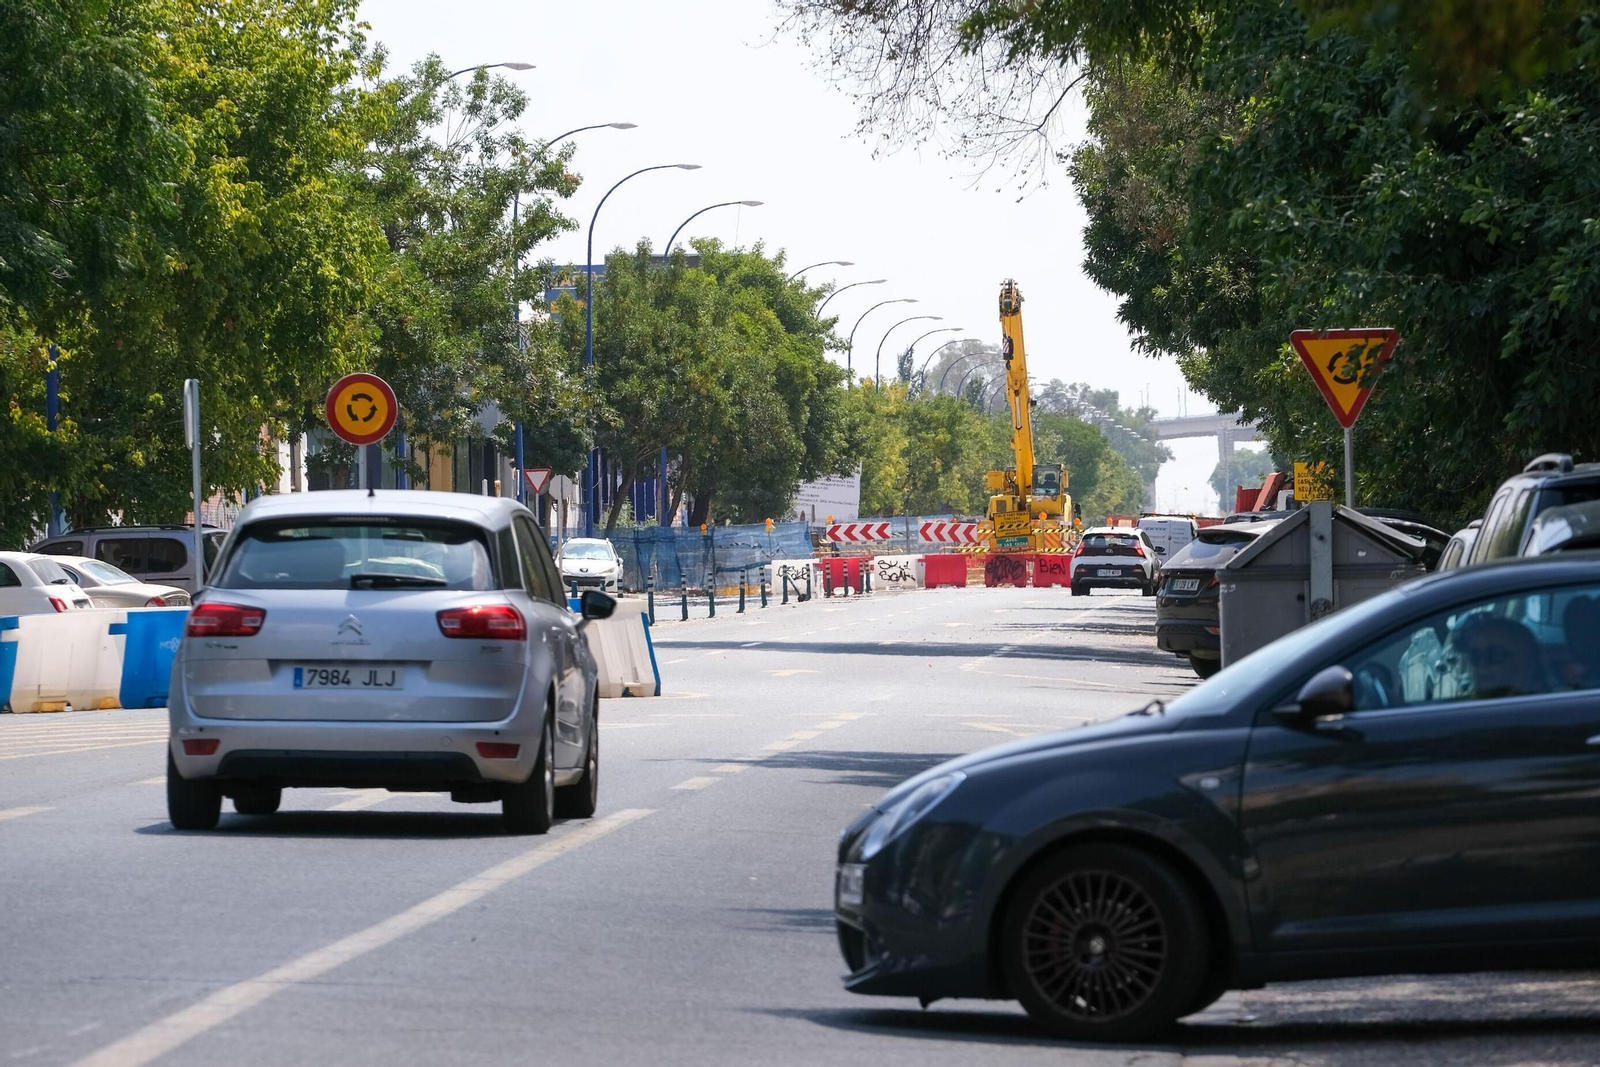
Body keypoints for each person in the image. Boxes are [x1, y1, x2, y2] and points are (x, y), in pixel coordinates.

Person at [1448, 614, 1544, 700]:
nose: (1482, 664)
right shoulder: (1471, 705)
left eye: (1495, 654)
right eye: (1476, 655)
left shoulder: (1536, 705)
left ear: (1522, 660)